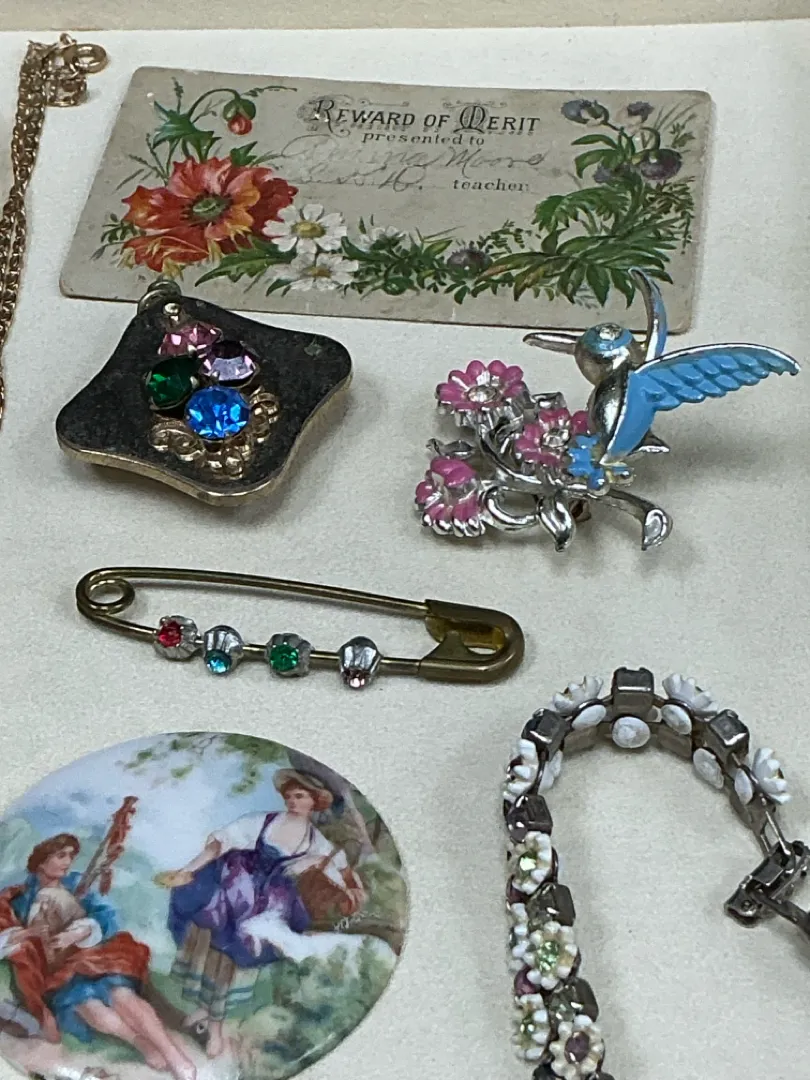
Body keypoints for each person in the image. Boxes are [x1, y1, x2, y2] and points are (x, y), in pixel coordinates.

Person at [157, 770, 366, 1058]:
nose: (293, 801)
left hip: (271, 901)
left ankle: (216, 1025)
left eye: (300, 796)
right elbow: (220, 843)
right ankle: (206, 1010)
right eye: (289, 796)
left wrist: (355, 888)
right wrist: (188, 870)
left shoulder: (317, 841)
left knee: (236, 957)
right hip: (234, 886)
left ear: (314, 801)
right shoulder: (263, 821)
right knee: (215, 948)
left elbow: (342, 869)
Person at [0, 834, 196, 1080]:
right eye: (61, 855)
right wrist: (31, 933)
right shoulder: (17, 898)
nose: (67, 862)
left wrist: (80, 931)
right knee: (91, 1009)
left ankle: (175, 1057)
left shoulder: (76, 884)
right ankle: (141, 1043)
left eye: (71, 856)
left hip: (93, 956)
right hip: (57, 972)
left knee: (121, 995)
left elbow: (106, 915)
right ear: (41, 861)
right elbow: (5, 939)